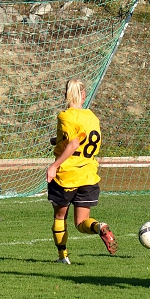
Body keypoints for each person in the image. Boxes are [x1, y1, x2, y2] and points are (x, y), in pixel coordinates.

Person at [45, 78, 117, 264]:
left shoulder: (65, 116)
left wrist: (54, 166)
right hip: (88, 176)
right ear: (83, 95)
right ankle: (99, 226)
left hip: (67, 176)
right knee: (81, 223)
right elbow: (81, 139)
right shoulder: (92, 117)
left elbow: (74, 143)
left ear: (66, 94)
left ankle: (63, 257)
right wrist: (58, 141)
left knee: (60, 216)